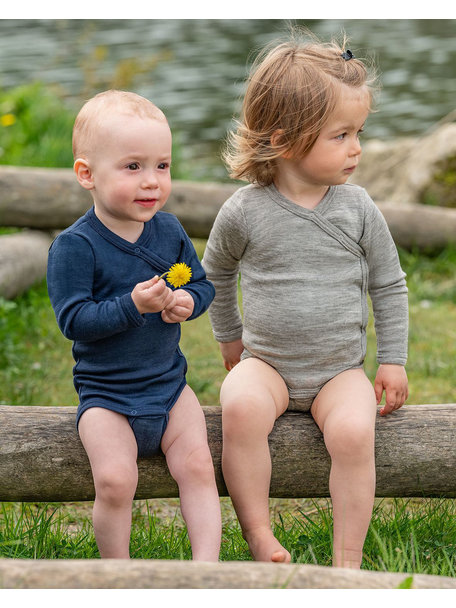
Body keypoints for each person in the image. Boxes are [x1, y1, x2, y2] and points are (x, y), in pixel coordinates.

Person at [202, 32, 409, 568]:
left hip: (339, 371)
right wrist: (229, 337)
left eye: (359, 132)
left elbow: (388, 283)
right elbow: (216, 273)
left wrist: (392, 359)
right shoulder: (245, 212)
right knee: (240, 406)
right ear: (286, 139)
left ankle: (348, 560)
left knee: (354, 432)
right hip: (266, 363)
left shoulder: (358, 208)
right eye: (341, 135)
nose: (357, 148)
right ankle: (259, 534)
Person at [47, 90, 221, 561]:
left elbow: (202, 284)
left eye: (162, 166)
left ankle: (207, 570)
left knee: (199, 466)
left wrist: (187, 300)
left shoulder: (170, 230)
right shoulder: (74, 246)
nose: (152, 183)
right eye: (132, 167)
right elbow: (74, 320)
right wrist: (133, 305)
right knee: (115, 480)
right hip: (107, 395)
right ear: (87, 174)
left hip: (168, 386)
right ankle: (116, 574)